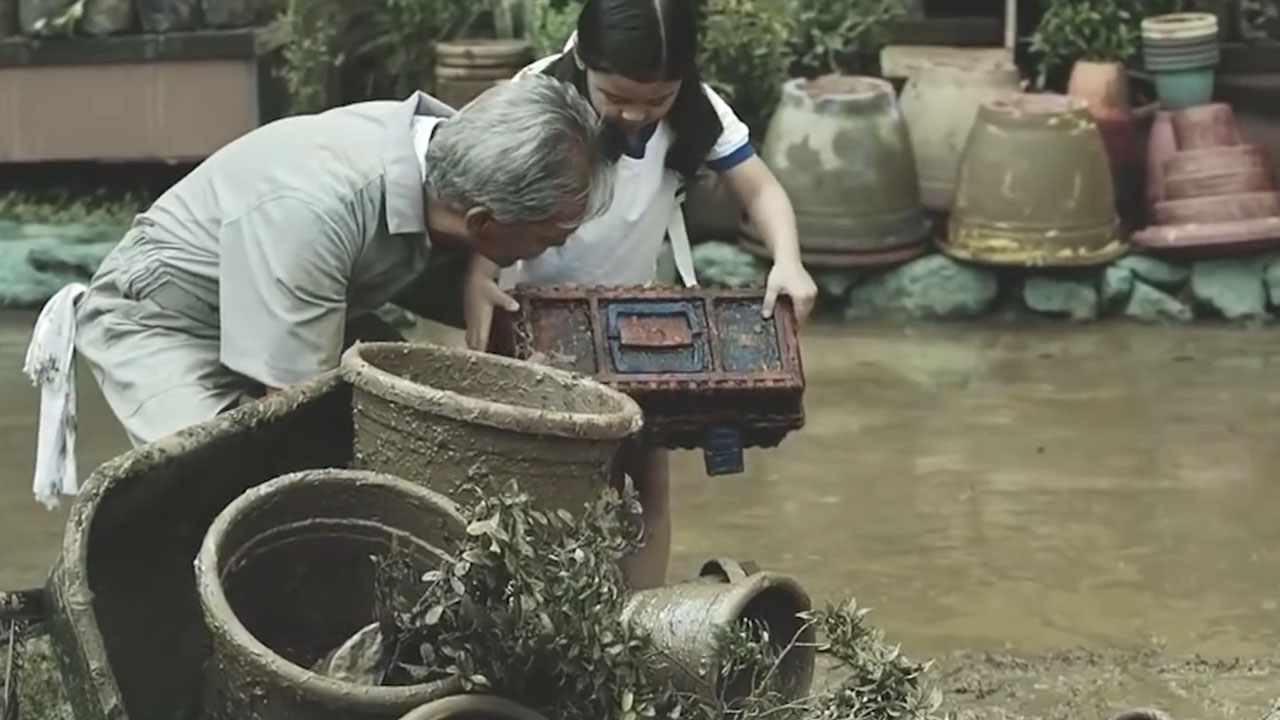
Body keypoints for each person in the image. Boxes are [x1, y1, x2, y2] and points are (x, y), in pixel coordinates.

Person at [23, 74, 611, 509]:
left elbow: (473, 241)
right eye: (550, 235)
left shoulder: (455, 149)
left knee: (409, 403)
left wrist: (478, 283)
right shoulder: (316, 211)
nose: (553, 249)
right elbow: (291, 405)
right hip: (165, 316)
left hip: (298, 291)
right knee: (241, 493)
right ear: (483, 221)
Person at [461, 0, 819, 590]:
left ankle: (636, 622)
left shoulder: (698, 113)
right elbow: (488, 198)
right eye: (616, 95)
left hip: (632, 325)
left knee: (643, 481)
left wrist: (788, 259)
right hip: (531, 321)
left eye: (657, 100)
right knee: (531, 484)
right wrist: (477, 278)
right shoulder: (539, 97)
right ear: (584, 60)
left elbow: (760, 189)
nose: (635, 113)